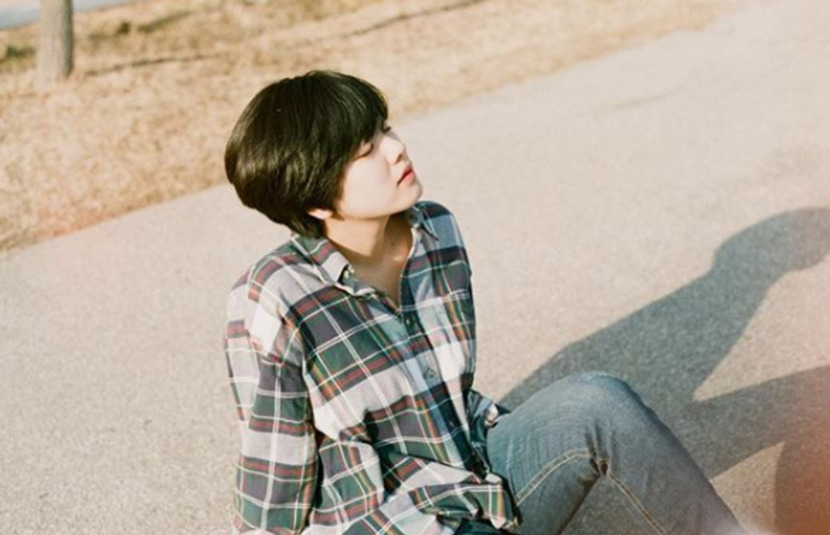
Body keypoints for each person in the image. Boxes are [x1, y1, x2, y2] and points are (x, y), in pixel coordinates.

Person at [222, 70, 748, 534]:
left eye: (385, 129)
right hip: (389, 519)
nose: (396, 148)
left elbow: (447, 392)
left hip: (476, 473)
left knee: (598, 402)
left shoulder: (436, 230)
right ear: (315, 198)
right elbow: (275, 481)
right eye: (366, 151)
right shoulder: (274, 297)